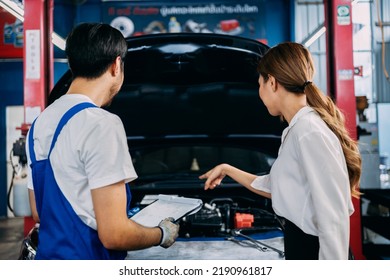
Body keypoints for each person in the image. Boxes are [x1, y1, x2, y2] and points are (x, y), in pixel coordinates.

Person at [25, 22, 179, 260]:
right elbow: (114, 235)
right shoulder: (100, 123)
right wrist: (161, 233)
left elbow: (39, 212)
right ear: (117, 65)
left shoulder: (40, 123)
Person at [199, 42, 361, 260]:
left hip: (315, 250)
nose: (259, 93)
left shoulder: (308, 131)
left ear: (272, 82)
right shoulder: (296, 130)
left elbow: (333, 215)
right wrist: (228, 169)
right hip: (301, 243)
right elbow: (279, 187)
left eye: (259, 84)